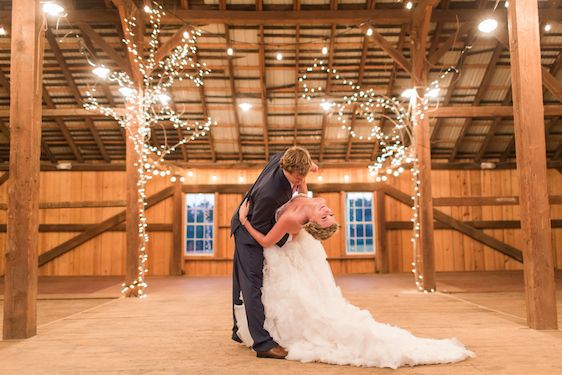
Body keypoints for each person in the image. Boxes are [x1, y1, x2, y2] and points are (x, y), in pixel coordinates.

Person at [235, 195, 475, 369]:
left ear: (312, 224)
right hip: (285, 252)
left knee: (290, 300)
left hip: (280, 255)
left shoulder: (293, 222)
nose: (328, 211)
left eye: (325, 216)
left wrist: (244, 221)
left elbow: (266, 242)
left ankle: (268, 335)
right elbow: (301, 193)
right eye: (329, 215)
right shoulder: (312, 202)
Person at [230, 146, 317, 360]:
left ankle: (238, 330)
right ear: (285, 168)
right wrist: (288, 238)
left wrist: (310, 166)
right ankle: (262, 344)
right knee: (251, 286)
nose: (299, 182)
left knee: (241, 283)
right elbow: (260, 229)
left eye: (302, 176)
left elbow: (282, 154)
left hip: (253, 221)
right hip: (248, 235)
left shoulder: (283, 158)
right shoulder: (272, 192)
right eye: (296, 177)